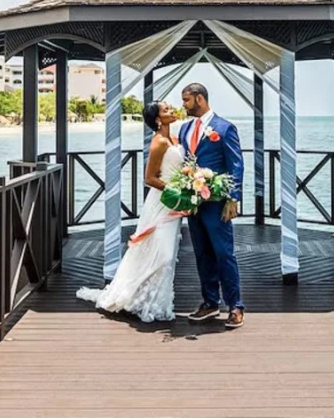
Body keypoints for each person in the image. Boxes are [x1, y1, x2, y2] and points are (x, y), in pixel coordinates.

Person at [76, 101, 184, 322]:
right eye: (166, 110)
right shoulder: (159, 143)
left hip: (175, 202)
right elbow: (150, 178)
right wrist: (175, 189)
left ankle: (159, 301)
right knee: (161, 252)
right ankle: (137, 297)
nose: (172, 111)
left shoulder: (176, 139)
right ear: (156, 119)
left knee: (170, 251)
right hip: (161, 202)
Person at [179, 82, 245, 329]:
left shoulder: (225, 128)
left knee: (224, 253)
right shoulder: (185, 128)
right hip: (194, 203)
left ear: (199, 98)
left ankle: (236, 305)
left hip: (217, 203)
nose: (183, 104)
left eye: (186, 99)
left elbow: (236, 165)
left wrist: (233, 197)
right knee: (202, 254)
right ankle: (210, 302)